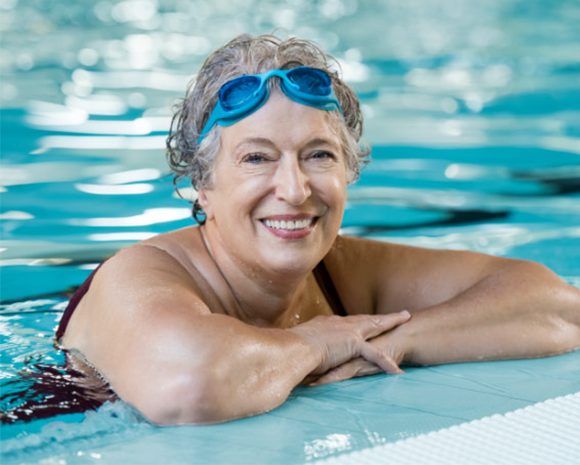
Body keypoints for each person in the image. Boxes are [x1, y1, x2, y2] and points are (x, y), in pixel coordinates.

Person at [55, 33, 580, 426]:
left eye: (318, 155)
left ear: (348, 171)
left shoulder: (340, 272)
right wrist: (319, 342)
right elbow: (191, 386)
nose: (295, 188)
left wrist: (397, 340)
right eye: (257, 158)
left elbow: (557, 306)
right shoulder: (140, 275)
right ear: (201, 185)